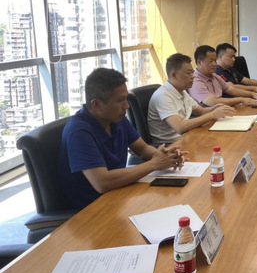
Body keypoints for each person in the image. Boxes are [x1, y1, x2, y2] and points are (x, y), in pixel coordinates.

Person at [57, 68, 188, 209]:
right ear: (96, 105)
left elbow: (143, 149)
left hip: (119, 194)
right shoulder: (79, 131)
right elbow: (102, 182)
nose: (127, 105)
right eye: (120, 100)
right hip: (92, 208)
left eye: (126, 98)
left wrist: (164, 156)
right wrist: (154, 164)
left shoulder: (117, 119)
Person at [148, 53, 235, 146]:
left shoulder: (182, 91)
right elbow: (180, 127)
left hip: (186, 137)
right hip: (170, 145)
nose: (193, 76)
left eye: (192, 72)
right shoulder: (162, 96)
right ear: (173, 75)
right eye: (188, 73)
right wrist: (212, 115)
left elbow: (201, 111)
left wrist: (215, 108)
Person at [188, 45, 257, 106]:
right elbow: (213, 102)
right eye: (211, 61)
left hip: (222, 112)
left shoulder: (214, 76)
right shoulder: (195, 80)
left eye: (215, 61)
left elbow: (231, 90)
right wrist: (241, 100)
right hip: (208, 117)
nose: (214, 64)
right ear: (199, 62)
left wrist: (252, 94)